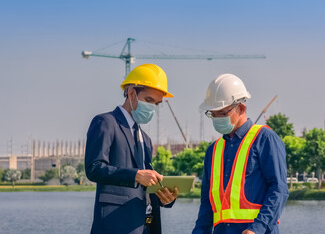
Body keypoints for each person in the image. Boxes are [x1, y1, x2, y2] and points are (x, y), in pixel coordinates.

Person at [85, 63, 178, 234]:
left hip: (146, 227)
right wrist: (135, 175)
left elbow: (144, 188)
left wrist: (165, 198)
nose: (152, 108)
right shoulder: (105, 122)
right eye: (149, 100)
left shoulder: (146, 139)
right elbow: (94, 168)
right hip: (115, 226)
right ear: (131, 92)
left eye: (157, 104)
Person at [192, 74, 288, 234]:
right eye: (212, 114)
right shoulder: (213, 150)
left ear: (241, 108)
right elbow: (207, 203)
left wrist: (256, 229)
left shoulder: (265, 139)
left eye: (222, 113)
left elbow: (279, 189)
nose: (216, 118)